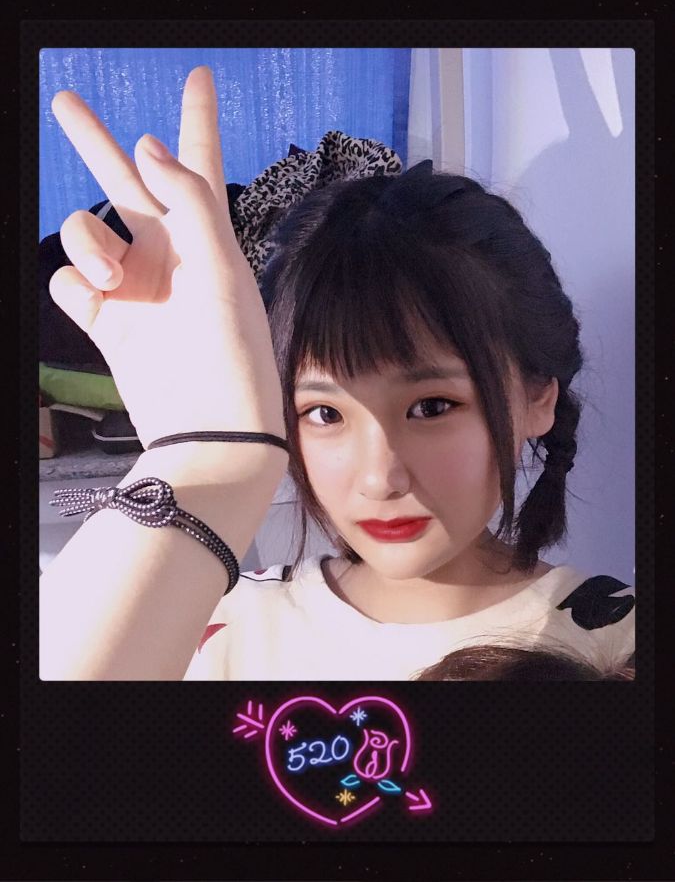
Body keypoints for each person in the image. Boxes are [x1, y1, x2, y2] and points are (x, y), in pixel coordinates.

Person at [39, 66, 635, 681]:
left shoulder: (616, 643)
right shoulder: (211, 622)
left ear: (538, 397)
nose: (380, 478)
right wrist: (198, 455)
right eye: (324, 413)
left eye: (432, 406)